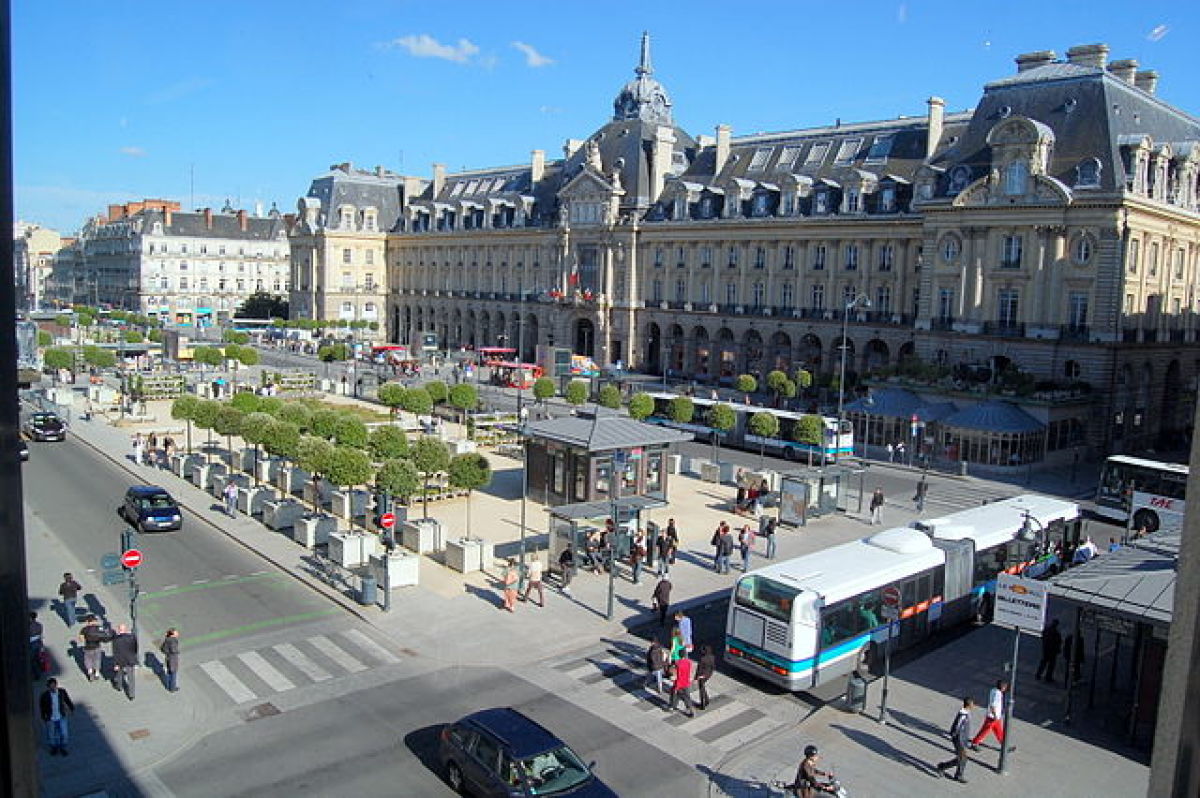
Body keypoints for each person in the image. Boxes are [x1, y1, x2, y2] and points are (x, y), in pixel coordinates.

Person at [936, 697, 976, 783]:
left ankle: (943, 766)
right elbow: (956, 727)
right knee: (963, 758)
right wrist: (955, 737)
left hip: (963, 739)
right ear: (968, 705)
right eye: (972, 704)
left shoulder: (966, 713)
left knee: (962, 758)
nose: (973, 705)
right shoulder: (962, 715)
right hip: (959, 740)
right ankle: (957, 775)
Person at [39, 678, 75, 756]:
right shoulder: (44, 696)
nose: (53, 688)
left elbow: (67, 700)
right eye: (51, 687)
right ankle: (54, 747)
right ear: (48, 687)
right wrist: (44, 717)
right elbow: (42, 707)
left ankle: (62, 747)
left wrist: (71, 708)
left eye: (54, 686)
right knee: (51, 735)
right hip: (50, 718)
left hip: (61, 716)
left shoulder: (62, 692)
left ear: (56, 685)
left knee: (64, 734)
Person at [970, 679, 1008, 751]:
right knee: (985, 730)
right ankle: (975, 743)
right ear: (1002, 687)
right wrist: (995, 715)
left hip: (995, 716)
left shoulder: (993, 690)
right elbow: (993, 705)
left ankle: (1004, 745)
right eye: (1005, 687)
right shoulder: (998, 694)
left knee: (999, 731)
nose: (1006, 688)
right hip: (993, 717)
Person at [79, 615, 112, 682]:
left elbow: (81, 639)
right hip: (97, 646)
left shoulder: (84, 629)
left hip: (88, 647)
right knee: (97, 660)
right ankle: (97, 673)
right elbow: (105, 634)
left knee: (88, 660)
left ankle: (90, 672)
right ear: (94, 621)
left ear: (88, 622)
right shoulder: (99, 628)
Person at [111, 623, 138, 700]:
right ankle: (131, 694)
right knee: (131, 678)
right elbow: (135, 648)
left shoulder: (116, 640)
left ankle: (119, 686)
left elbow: (115, 652)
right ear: (125, 630)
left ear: (119, 630)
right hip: (130, 659)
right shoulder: (132, 637)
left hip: (120, 660)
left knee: (119, 674)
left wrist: (116, 664)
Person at [667, 653, 696, 717]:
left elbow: (678, 675)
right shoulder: (689, 662)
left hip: (679, 683)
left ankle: (672, 707)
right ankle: (691, 710)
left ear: (679, 655)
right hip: (686, 682)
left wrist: (677, 686)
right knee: (687, 697)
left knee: (674, 695)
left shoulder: (678, 663)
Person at [1036, 618, 1062, 683]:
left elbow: (1043, 637)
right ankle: (1048, 677)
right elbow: (1058, 642)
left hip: (1046, 649)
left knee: (1044, 663)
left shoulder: (1047, 630)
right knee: (1051, 664)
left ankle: (1038, 674)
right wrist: (1058, 649)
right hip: (1052, 651)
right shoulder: (1056, 633)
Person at [160, 628, 181, 692]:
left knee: (169, 672)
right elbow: (173, 650)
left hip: (168, 658)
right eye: (176, 632)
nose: (178, 633)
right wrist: (177, 651)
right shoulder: (173, 640)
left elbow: (162, 649)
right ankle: (172, 688)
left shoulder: (167, 639)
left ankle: (169, 685)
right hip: (173, 659)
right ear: (172, 634)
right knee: (173, 674)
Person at [696, 644, 716, 710]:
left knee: (701, 689)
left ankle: (703, 704)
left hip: (702, 675)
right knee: (703, 687)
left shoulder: (702, 659)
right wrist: (710, 673)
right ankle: (706, 700)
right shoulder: (712, 657)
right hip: (708, 674)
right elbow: (713, 667)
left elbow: (699, 669)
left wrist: (697, 677)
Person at [29, 612, 45, 678]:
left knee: (33, 660)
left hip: (32, 644)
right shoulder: (39, 625)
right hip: (38, 643)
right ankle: (39, 671)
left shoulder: (29, 626)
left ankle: (36, 674)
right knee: (37, 658)